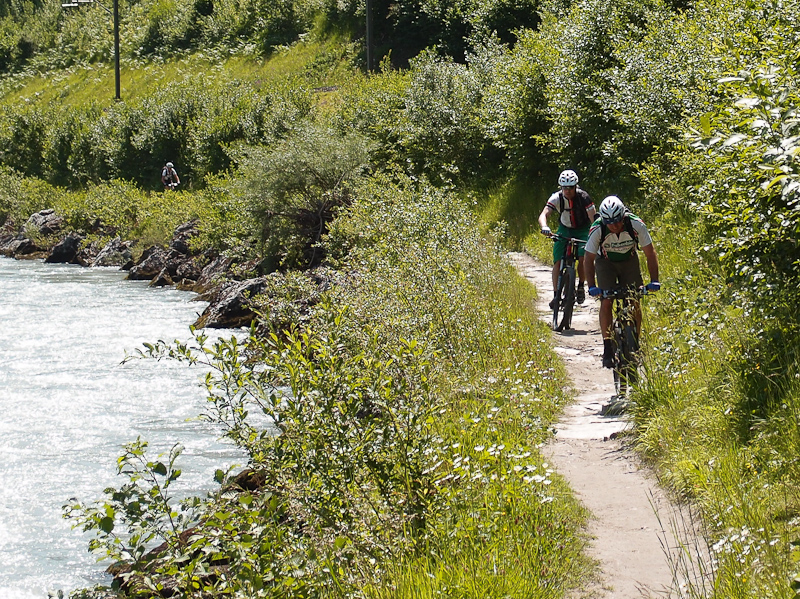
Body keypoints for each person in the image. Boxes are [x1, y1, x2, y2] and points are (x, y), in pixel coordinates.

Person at [584, 196, 660, 369]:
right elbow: (588, 259)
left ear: (623, 216)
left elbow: (650, 253)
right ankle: (607, 347)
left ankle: (635, 342)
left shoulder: (636, 224)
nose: (614, 226)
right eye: (610, 223)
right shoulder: (597, 229)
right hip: (605, 263)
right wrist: (592, 286)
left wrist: (654, 280)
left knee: (635, 299)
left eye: (617, 221)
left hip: (629, 261)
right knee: (606, 300)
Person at [538, 169, 597, 306]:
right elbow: (544, 214)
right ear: (561, 187)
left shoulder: (584, 197)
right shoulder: (556, 198)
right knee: (558, 262)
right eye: (565, 188)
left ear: (576, 186)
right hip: (564, 229)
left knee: (584, 257)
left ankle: (581, 286)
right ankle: (556, 294)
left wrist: (595, 233)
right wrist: (544, 227)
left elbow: (593, 218)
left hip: (582, 229)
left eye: (571, 187)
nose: (568, 191)